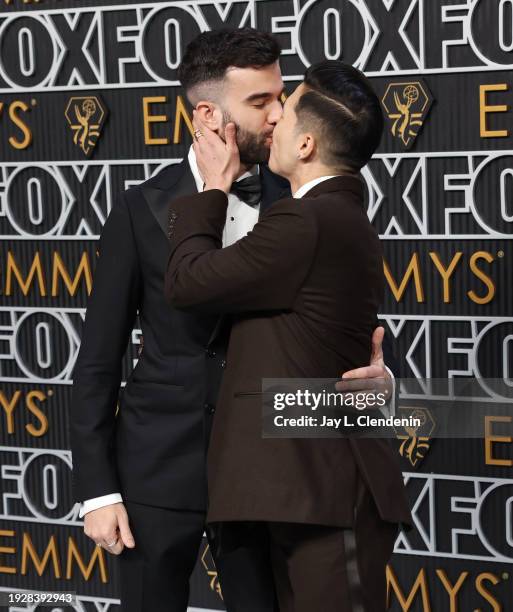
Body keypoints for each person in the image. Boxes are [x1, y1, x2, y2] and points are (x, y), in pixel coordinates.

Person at [70, 28, 399, 612]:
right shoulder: (139, 208)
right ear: (206, 112)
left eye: (280, 98)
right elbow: (97, 359)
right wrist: (97, 489)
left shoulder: (302, 199)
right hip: (157, 472)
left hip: (266, 475)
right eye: (259, 102)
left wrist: (380, 385)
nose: (277, 115)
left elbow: (346, 318)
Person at [164, 60, 412, 612]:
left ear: (305, 145)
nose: (272, 120)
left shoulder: (307, 221)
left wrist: (213, 188)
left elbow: (186, 282)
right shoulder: (335, 214)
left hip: (320, 491)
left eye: (286, 110)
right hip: (298, 490)